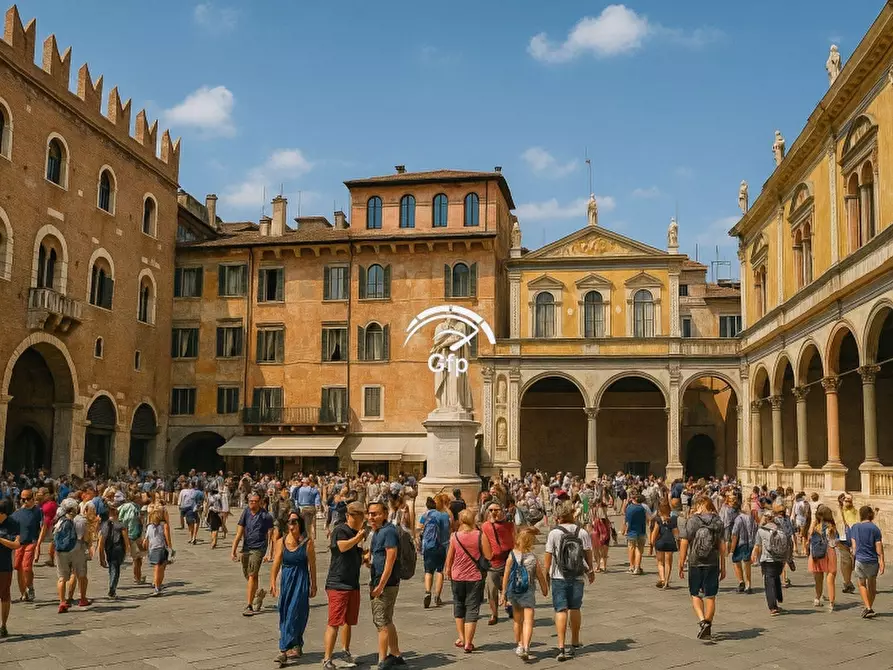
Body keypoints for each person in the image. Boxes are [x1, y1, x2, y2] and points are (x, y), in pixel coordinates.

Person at [544, 499, 595, 662]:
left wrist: (546, 574)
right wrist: (591, 570)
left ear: (559, 516)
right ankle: (575, 640)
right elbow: (588, 553)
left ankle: (561, 646)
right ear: (573, 514)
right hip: (577, 575)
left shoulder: (554, 533)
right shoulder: (582, 532)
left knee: (561, 610)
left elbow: (548, 556)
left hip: (559, 576)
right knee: (575, 608)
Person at [323, 502, 366, 670]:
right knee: (334, 622)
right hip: (338, 583)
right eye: (359, 516)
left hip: (352, 583)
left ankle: (345, 651)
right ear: (349, 516)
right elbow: (342, 547)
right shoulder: (341, 530)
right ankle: (327, 658)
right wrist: (358, 539)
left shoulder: (357, 533)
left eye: (362, 516)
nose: (361, 520)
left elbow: (355, 556)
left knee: (348, 621)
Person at [270, 511, 317, 665]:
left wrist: (314, 584)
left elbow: (312, 565)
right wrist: (273, 582)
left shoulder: (307, 543)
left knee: (296, 613)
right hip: (286, 581)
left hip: (301, 580)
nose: (292, 524)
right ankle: (295, 644)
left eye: (295, 521)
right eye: (289, 522)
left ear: (300, 524)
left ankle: (283, 650)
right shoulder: (281, 542)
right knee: (284, 612)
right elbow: (276, 563)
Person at [444, 508, 492, 653]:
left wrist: (448, 570)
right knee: (472, 608)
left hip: (457, 576)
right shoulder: (480, 535)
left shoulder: (454, 536)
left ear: (460, 520)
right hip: (475, 576)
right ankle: (468, 643)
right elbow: (489, 556)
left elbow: (450, 556)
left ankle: (462, 638)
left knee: (459, 605)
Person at [678, 496, 725, 639]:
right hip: (712, 562)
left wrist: (681, 562)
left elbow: (684, 542)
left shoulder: (693, 520)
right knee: (710, 596)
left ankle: (702, 620)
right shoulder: (717, 521)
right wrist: (723, 565)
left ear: (699, 506)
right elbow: (722, 546)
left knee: (695, 594)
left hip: (695, 562)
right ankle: (708, 623)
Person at [366, 501, 405, 670]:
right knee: (387, 619)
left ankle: (382, 660)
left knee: (380, 622)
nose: (371, 517)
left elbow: (391, 559)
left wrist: (380, 585)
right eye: (369, 514)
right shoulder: (378, 531)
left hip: (386, 584)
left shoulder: (388, 532)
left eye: (375, 514)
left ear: (384, 514)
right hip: (382, 581)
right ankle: (395, 654)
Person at [502, 527, 548, 662]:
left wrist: (503, 593)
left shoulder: (511, 555)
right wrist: (544, 589)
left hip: (514, 592)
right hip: (528, 592)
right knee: (528, 621)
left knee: (517, 621)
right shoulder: (533, 558)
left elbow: (506, 575)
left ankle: (519, 645)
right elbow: (540, 576)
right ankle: (527, 646)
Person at [231, 493, 274, 616]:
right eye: (251, 501)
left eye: (255, 501)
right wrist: (234, 549)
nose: (253, 503)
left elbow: (271, 535)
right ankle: (258, 593)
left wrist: (269, 552)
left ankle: (249, 605)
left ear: (260, 502)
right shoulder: (246, 512)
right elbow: (239, 532)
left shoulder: (266, 516)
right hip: (246, 548)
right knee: (248, 574)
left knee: (252, 575)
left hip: (259, 548)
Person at [54, 498, 90, 613]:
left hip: (61, 550)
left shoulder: (59, 520)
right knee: (81, 575)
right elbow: (86, 537)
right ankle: (83, 599)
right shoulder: (81, 520)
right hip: (77, 548)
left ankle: (62, 602)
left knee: (62, 578)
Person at [482, 500, 515, 625]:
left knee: (509, 586)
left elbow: (515, 539)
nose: (493, 512)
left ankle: (510, 605)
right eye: (490, 510)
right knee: (491, 589)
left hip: (508, 559)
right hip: (493, 562)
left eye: (496, 510)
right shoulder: (486, 526)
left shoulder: (510, 525)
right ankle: (494, 614)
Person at [752, 509, 791, 616]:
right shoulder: (780, 528)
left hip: (767, 559)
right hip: (779, 558)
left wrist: (754, 555)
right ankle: (778, 598)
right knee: (776, 577)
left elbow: (757, 545)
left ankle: (773, 607)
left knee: (769, 582)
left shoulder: (761, 530)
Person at [850, 505, 885, 618]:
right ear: (871, 515)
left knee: (861, 584)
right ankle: (869, 607)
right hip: (872, 560)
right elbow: (879, 547)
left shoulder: (855, 527)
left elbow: (854, 547)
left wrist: (853, 557)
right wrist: (882, 561)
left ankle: (868, 607)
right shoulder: (875, 528)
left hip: (860, 559)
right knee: (872, 586)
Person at [12, 487, 44, 602]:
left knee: (26, 567)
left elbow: (43, 527)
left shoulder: (38, 511)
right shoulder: (17, 513)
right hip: (19, 543)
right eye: (22, 499)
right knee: (18, 567)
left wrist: (38, 543)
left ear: (33, 498)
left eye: (27, 498)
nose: (25, 501)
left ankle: (30, 587)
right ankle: (23, 593)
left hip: (31, 542)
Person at [418, 496, 450, 609]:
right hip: (440, 546)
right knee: (440, 571)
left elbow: (419, 527)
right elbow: (447, 530)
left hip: (428, 546)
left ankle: (428, 591)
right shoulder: (443, 516)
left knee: (428, 571)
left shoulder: (425, 515)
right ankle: (437, 596)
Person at [807, 504, 838, 611]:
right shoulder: (831, 527)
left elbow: (809, 538)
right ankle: (831, 602)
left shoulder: (815, 527)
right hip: (829, 552)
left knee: (818, 578)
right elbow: (834, 542)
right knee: (830, 577)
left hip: (816, 553)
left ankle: (817, 598)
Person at [97, 503, 130, 598]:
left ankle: (112, 585)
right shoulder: (121, 525)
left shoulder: (104, 526)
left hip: (108, 549)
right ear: (117, 514)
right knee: (115, 568)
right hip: (118, 548)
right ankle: (112, 587)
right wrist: (127, 551)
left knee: (112, 566)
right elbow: (126, 540)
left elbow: (101, 543)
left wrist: (101, 557)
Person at [0, 499, 21, 637]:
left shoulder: (13, 524)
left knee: (4, 595)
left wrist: (0, 539)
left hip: (4, 565)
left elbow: (16, 545)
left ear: (3, 513)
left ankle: (3, 626)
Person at [117, 493, 145, 585]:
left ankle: (138, 576)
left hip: (136, 534)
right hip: (132, 535)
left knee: (138, 558)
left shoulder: (136, 507)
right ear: (135, 498)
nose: (141, 499)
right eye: (139, 497)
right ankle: (137, 577)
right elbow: (125, 521)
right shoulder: (130, 507)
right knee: (137, 558)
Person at [144, 508, 172, 596]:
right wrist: (170, 549)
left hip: (152, 549)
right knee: (160, 569)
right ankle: (157, 587)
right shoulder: (164, 525)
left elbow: (146, 540)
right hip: (161, 548)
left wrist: (147, 550)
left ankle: (158, 586)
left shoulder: (149, 526)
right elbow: (168, 538)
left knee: (157, 569)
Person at [729, 505, 757, 594]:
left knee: (736, 561)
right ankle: (748, 585)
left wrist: (732, 549)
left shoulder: (738, 519)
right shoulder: (752, 519)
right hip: (750, 543)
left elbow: (735, 534)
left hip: (740, 543)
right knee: (747, 563)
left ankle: (741, 582)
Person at [650, 503, 678, 589]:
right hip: (670, 543)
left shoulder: (658, 520)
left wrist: (652, 543)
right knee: (668, 563)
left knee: (660, 562)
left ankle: (662, 579)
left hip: (660, 542)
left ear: (660, 511)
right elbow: (676, 533)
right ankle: (666, 581)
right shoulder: (674, 519)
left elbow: (654, 533)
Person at [837, 493, 858, 594]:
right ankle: (847, 583)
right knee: (846, 562)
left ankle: (865, 582)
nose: (848, 502)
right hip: (843, 539)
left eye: (850, 500)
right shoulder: (838, 511)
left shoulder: (855, 510)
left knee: (857, 561)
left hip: (856, 538)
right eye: (846, 500)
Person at [622, 494, 647, 575]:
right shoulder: (642, 508)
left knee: (631, 548)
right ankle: (637, 568)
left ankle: (631, 567)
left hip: (631, 531)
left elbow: (627, 521)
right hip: (641, 531)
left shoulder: (629, 508)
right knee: (639, 549)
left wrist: (624, 531)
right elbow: (648, 518)